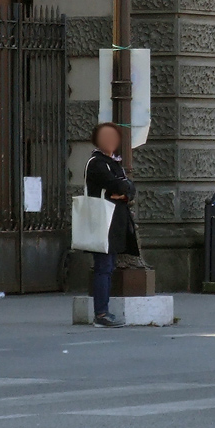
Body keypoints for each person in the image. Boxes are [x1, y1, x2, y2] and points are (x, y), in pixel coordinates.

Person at [85, 122, 139, 327]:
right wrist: (120, 190)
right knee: (103, 266)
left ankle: (103, 310)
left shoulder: (112, 162)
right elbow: (116, 184)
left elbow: (128, 187)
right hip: (102, 221)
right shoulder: (97, 162)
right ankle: (101, 313)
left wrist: (123, 191)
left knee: (108, 265)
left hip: (113, 221)